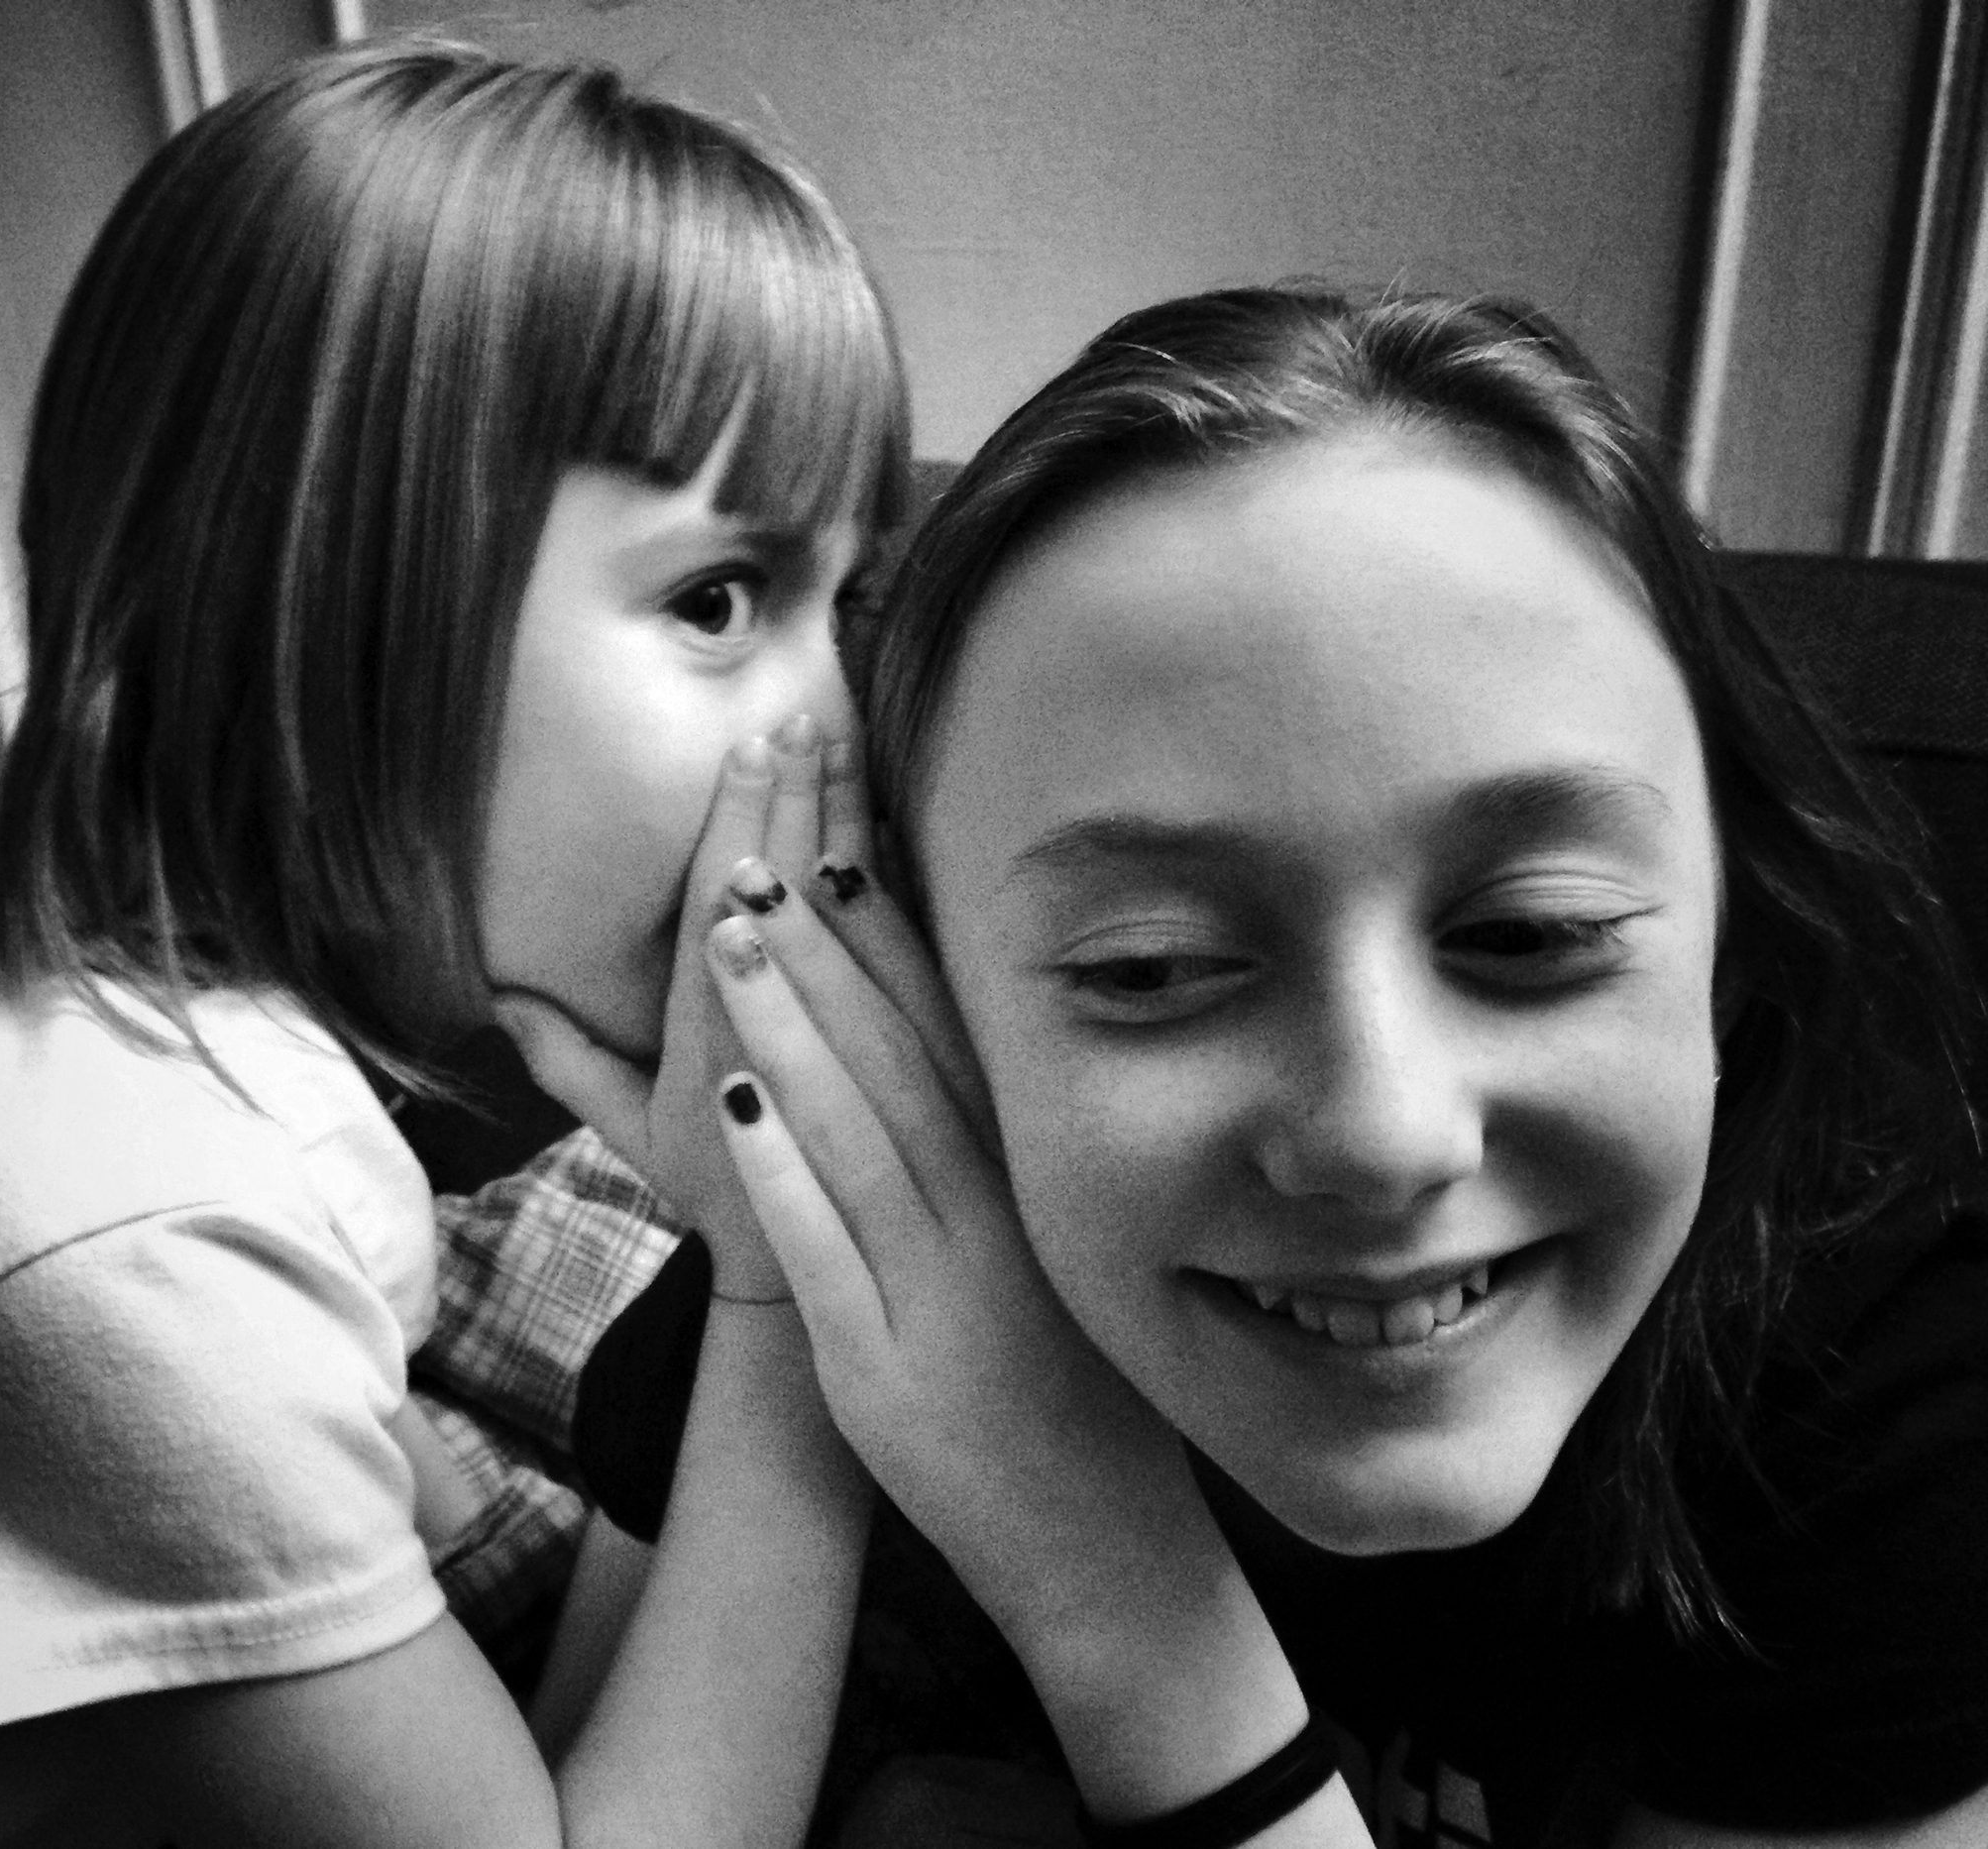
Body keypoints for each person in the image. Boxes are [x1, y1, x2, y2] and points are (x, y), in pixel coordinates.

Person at [0, 35, 909, 1846]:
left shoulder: (151, 982)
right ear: (322, 606)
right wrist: (793, 1290)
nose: (833, 721)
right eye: (722, 598)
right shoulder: (112, 1242)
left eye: (842, 600)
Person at [575, 287, 1988, 1846]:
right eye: (1151, 968)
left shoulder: (1895, 1399)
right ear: (925, 1013)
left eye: (1533, 933)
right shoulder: (843, 1282)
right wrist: (780, 1299)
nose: (1384, 1132)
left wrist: (1116, 1593)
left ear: (1732, 961)